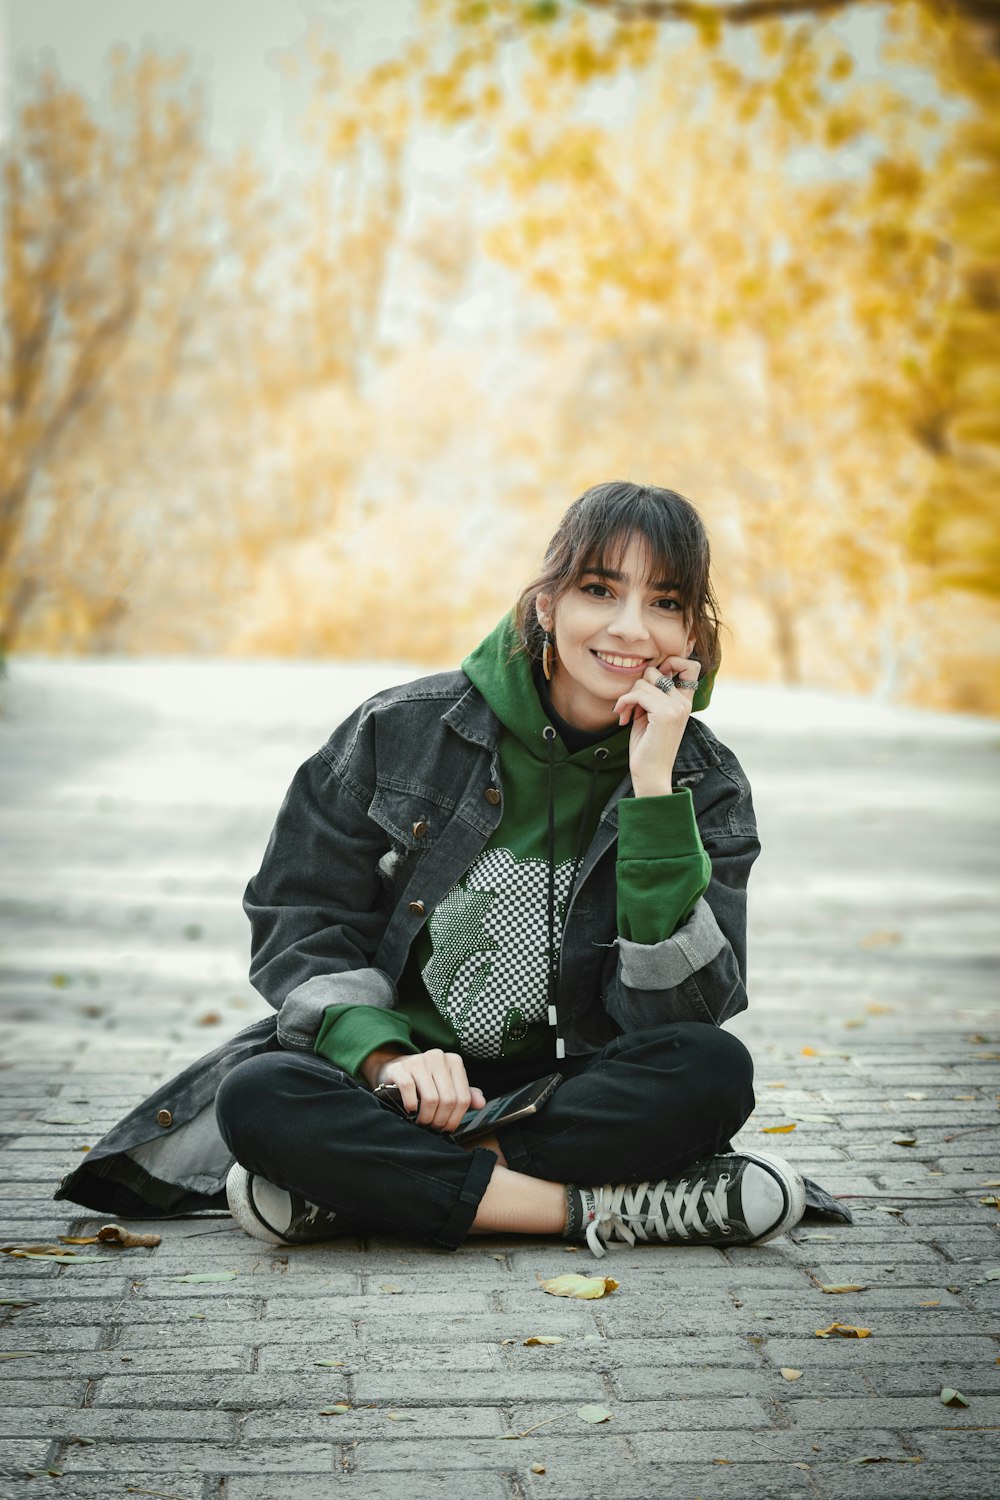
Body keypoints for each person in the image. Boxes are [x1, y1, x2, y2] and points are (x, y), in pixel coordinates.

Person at [213, 480, 806, 1258]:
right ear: (547, 603)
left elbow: (679, 1022)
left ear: (690, 630)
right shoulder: (400, 731)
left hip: (567, 1102)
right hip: (399, 1091)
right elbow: (299, 918)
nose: (631, 629)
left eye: (664, 602)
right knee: (260, 1094)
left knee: (713, 1070)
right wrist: (391, 1059)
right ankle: (601, 1212)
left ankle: (361, 1195)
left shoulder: (706, 785)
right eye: (600, 589)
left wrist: (655, 793)